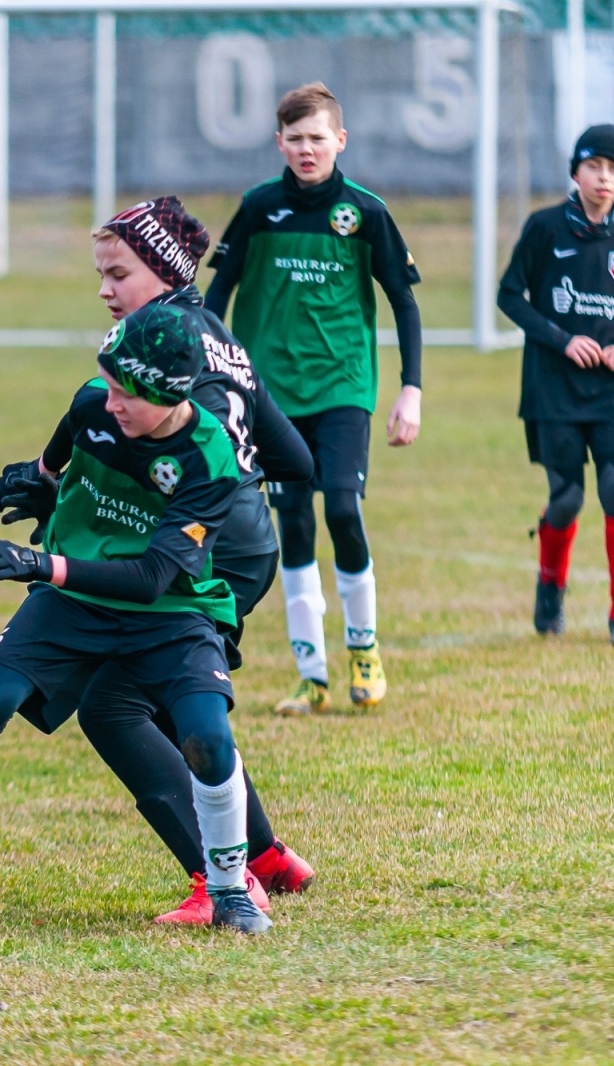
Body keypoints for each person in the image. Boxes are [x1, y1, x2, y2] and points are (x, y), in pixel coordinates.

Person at [0, 300, 274, 935]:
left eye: (131, 393)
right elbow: (63, 444)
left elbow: (154, 578)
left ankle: (232, 890)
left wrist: (41, 565)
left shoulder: (211, 460)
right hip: (73, 599)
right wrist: (39, 480)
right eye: (112, 381)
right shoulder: (95, 403)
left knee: (208, 735)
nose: (113, 399)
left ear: (173, 395)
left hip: (172, 609)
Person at [0, 197, 318, 925]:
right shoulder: (213, 337)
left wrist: (65, 506)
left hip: (203, 552)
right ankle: (265, 857)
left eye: (118, 273)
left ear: (163, 273)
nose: (106, 289)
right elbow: (292, 458)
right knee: (176, 706)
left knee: (114, 707)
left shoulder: (162, 349)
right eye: (101, 274)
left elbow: (149, 465)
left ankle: (220, 883)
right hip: (245, 543)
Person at [205, 81, 424, 718]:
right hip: (267, 393)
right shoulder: (259, 208)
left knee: (345, 511)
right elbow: (217, 296)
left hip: (343, 385)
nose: (307, 149)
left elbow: (404, 303)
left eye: (318, 139)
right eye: (295, 139)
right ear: (280, 142)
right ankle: (312, 673)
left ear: (340, 141)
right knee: (293, 519)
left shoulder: (366, 213)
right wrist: (206, 366)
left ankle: (364, 649)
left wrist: (410, 390)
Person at [497, 125, 614, 646]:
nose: (603, 178)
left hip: (611, 388)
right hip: (553, 384)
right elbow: (509, 296)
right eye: (594, 167)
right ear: (576, 172)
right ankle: (549, 585)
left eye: (613, 170)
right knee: (566, 499)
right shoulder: (543, 229)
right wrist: (562, 340)